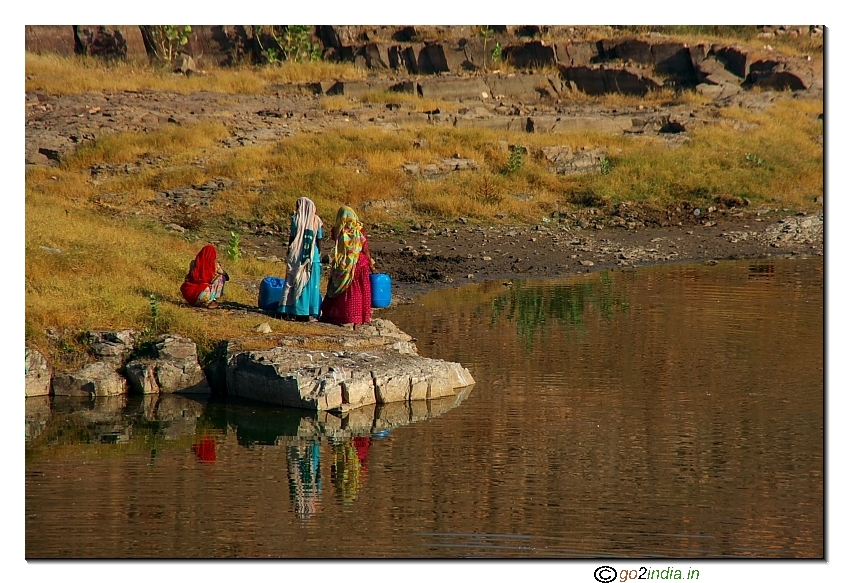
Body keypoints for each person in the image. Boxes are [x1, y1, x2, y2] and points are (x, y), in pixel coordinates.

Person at [320, 206, 374, 327]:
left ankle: (341, 315)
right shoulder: (359, 229)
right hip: (360, 262)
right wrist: (371, 265)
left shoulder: (337, 230)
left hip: (343, 264)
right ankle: (360, 317)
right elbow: (365, 249)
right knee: (360, 288)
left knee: (344, 289)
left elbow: (337, 241)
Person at [278, 197, 323, 321]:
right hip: (312, 256)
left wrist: (289, 251)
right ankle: (309, 312)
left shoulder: (296, 219)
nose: (296, 209)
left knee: (293, 281)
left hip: (297, 256)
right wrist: (318, 254)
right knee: (310, 284)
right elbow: (319, 239)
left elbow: (292, 238)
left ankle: (291, 309)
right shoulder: (317, 221)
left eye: (298, 206)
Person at [180, 244, 229, 309]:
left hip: (190, 294)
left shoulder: (193, 263)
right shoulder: (214, 265)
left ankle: (199, 303)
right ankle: (211, 301)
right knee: (221, 277)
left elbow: (190, 276)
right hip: (204, 293)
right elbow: (225, 275)